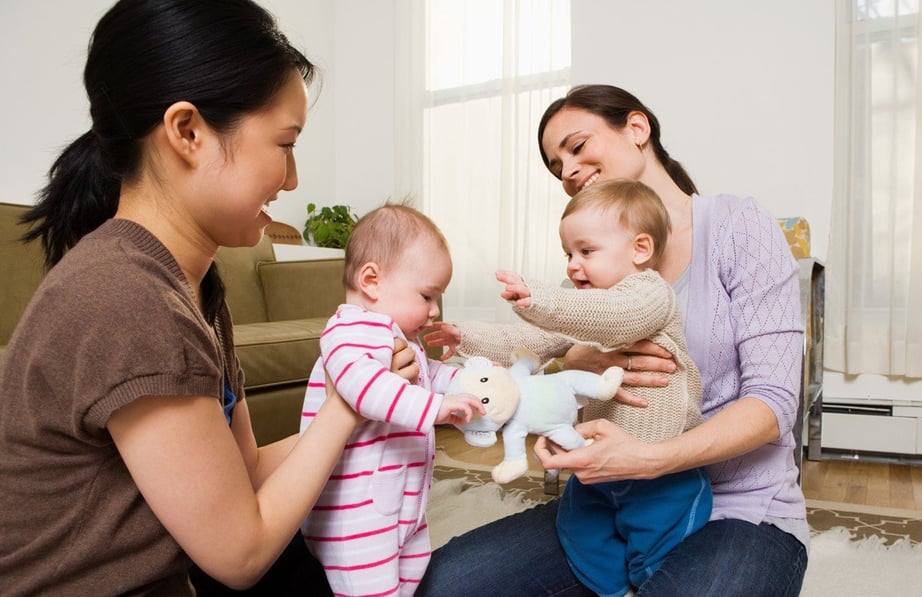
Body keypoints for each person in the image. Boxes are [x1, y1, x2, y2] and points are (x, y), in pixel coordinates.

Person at [0, 1, 417, 595]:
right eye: (285, 143)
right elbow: (240, 553)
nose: (293, 179)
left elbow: (241, 473)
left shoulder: (193, 284)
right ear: (187, 131)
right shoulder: (125, 298)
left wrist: (379, 411)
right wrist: (348, 404)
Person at [418, 84, 808, 596]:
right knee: (445, 584)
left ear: (637, 129)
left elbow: (774, 402)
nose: (568, 171)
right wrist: (561, 359)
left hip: (739, 506)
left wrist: (650, 459)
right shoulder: (591, 268)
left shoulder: (740, 227)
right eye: (557, 166)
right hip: (613, 499)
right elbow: (551, 354)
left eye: (576, 147)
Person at [488, 178, 712, 596]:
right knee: (582, 538)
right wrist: (459, 338)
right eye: (568, 253)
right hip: (596, 470)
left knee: (661, 553)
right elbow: (528, 345)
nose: (572, 265)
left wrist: (538, 299)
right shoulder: (582, 313)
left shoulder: (649, 295)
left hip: (661, 476)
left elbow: (613, 317)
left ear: (640, 250)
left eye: (586, 251)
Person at [299, 203, 484, 597]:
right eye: (427, 296)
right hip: (356, 515)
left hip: (402, 502)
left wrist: (474, 382)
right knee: (371, 586)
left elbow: (431, 377)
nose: (435, 311)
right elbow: (364, 389)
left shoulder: (401, 337)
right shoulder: (349, 331)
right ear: (372, 280)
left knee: (411, 578)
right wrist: (435, 409)